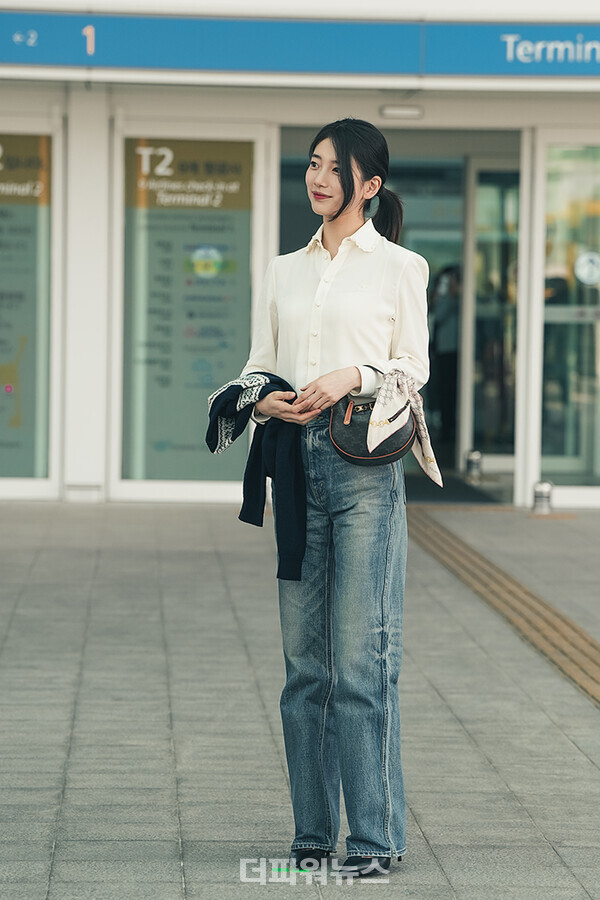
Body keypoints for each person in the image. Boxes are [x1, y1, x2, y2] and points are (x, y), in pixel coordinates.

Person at [238, 118, 430, 878]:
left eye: (333, 168)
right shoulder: (283, 270)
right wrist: (263, 400)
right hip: (295, 463)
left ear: (369, 185)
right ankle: (313, 835)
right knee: (304, 669)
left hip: (365, 468)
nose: (317, 178)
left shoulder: (400, 268)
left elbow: (412, 369)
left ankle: (376, 841)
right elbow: (258, 365)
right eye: (312, 164)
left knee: (361, 663)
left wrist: (355, 374)